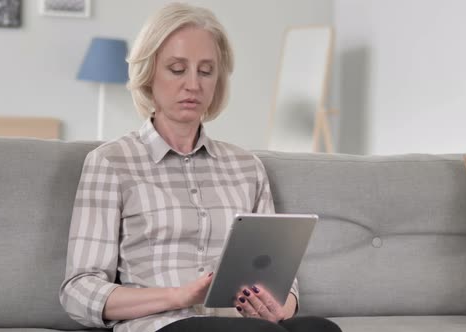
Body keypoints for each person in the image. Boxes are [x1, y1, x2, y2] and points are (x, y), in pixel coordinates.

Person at [59, 3, 341, 332]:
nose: (193, 84)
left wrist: (281, 306)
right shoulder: (110, 163)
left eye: (206, 71)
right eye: (177, 69)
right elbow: (78, 290)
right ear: (149, 74)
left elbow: (281, 278)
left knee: (321, 329)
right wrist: (176, 296)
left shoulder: (247, 168)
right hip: (161, 324)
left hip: (243, 324)